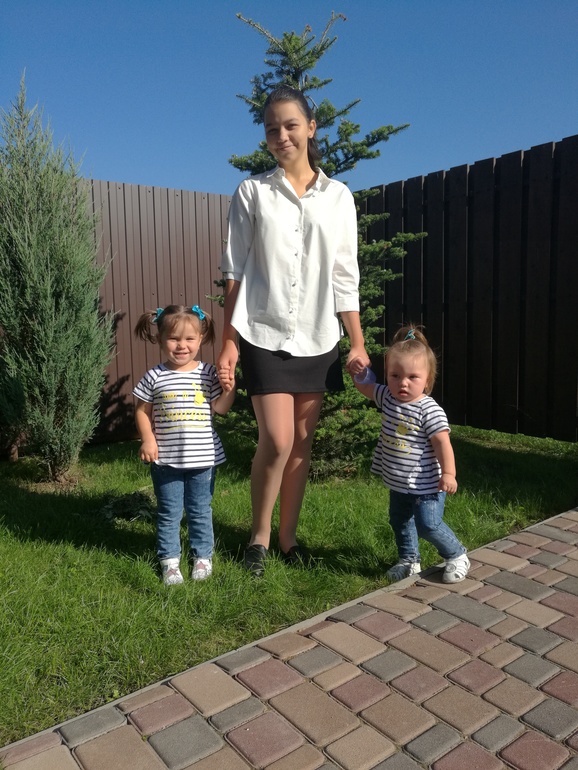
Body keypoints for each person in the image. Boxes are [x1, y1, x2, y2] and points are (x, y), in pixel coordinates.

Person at [217, 84, 369, 576]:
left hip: (318, 335)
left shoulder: (338, 197)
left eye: (290, 125)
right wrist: (228, 342)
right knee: (279, 440)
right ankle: (258, 539)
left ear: (311, 128)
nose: (280, 136)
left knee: (302, 442)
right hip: (263, 330)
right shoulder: (252, 192)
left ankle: (287, 539)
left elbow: (344, 274)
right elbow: (234, 272)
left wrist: (357, 341)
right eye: (271, 129)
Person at [352, 325, 470, 583]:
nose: (402, 383)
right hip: (399, 481)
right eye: (395, 375)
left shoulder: (429, 410)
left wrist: (449, 473)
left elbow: (442, 443)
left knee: (428, 525)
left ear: (427, 380)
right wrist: (359, 374)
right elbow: (367, 388)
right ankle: (409, 560)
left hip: (427, 484)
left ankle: (456, 554)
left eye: (412, 377)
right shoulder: (387, 397)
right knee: (400, 521)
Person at [133, 304, 235, 585]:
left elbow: (220, 408)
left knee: (200, 511)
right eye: (174, 339)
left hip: (203, 460)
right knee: (169, 512)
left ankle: (202, 557)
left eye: (189, 339)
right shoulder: (154, 376)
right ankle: (169, 561)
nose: (182, 346)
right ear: (159, 339)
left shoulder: (208, 373)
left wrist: (229, 389)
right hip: (166, 460)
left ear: (200, 339)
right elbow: (141, 411)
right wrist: (148, 439)